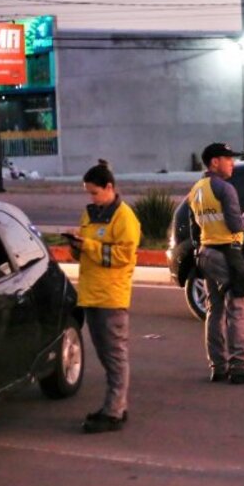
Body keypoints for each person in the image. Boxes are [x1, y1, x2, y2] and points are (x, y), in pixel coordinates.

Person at [69, 159, 142, 433]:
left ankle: (114, 411)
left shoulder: (125, 218)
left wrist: (87, 246)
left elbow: (122, 257)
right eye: (89, 192)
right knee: (105, 356)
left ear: (109, 187)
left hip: (111, 297)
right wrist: (76, 247)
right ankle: (114, 406)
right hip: (91, 295)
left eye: (95, 192)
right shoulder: (90, 214)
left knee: (115, 357)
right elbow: (88, 251)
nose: (92, 197)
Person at [187, 142, 244, 385]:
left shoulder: (196, 190)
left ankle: (218, 366)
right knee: (239, 307)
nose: (232, 163)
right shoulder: (225, 188)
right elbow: (235, 225)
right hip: (226, 254)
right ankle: (240, 365)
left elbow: (195, 228)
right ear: (214, 162)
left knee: (215, 309)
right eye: (228, 159)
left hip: (206, 253)